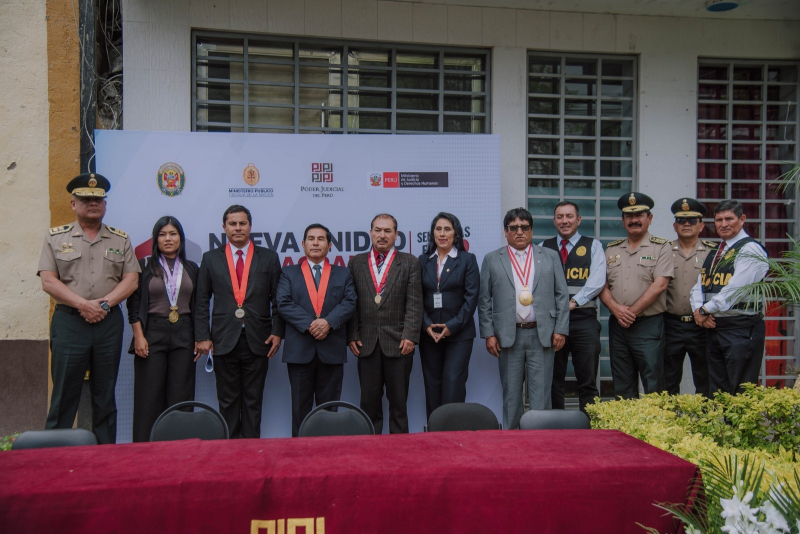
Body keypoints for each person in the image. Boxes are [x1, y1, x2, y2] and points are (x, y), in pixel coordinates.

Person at [37, 173, 140, 444]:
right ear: (73, 203)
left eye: (98, 199)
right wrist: (83, 304)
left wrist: (103, 305)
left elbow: (131, 280)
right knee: (64, 394)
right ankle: (53, 455)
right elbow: (48, 281)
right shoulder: (55, 238)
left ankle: (105, 455)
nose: (92, 203)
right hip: (70, 322)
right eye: (86, 199)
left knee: (105, 393)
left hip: (107, 322)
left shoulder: (120, 239)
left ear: (105, 204)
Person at [194, 205, 285, 439]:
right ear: (224, 227)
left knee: (253, 401)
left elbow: (278, 299)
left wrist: (278, 331)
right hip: (223, 341)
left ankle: (253, 452)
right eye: (232, 224)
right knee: (227, 401)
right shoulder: (210, 258)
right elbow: (201, 300)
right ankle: (230, 453)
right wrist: (203, 336)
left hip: (259, 339)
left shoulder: (269, 257)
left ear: (250, 226)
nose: (237, 228)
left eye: (242, 223)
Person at [478, 207, 569, 430]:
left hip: (543, 334)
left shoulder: (549, 256)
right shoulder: (492, 259)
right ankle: (512, 444)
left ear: (531, 230)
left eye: (525, 227)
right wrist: (489, 333)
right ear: (506, 231)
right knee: (511, 396)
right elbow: (484, 300)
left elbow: (562, 295)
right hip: (508, 336)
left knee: (541, 396)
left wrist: (561, 329)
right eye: (514, 228)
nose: (520, 232)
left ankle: (541, 444)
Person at [276, 223, 357, 437]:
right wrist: (312, 324)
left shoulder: (343, 273)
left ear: (329, 245)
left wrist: (328, 322)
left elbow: (350, 302)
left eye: (321, 239)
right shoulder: (288, 272)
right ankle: (300, 458)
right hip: (299, 351)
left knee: (329, 410)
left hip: (331, 351)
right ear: (303, 244)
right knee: (300, 411)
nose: (315, 243)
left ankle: (327, 457)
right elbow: (283, 303)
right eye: (311, 239)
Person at [347, 214, 422, 434]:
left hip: (400, 343)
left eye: (387, 231)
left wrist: (410, 335)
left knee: (399, 405)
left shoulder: (410, 262)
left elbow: (415, 303)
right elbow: (352, 304)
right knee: (369, 404)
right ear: (370, 232)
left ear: (396, 235)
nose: (382, 235)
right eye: (378, 230)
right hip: (366, 344)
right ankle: (369, 454)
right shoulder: (356, 263)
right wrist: (352, 335)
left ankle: (401, 455)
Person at [127, 216, 200, 442]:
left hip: (184, 333)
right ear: (155, 239)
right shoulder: (144, 266)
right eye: (162, 234)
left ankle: (179, 449)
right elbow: (134, 304)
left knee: (181, 396)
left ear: (181, 238)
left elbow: (199, 305)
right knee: (149, 396)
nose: (168, 239)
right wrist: (139, 336)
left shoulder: (192, 268)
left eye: (173, 234)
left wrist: (200, 337)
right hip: (152, 333)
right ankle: (143, 450)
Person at [691, 200, 768, 395]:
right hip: (715, 329)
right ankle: (727, 427)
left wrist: (704, 310)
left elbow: (735, 291)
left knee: (741, 392)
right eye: (718, 220)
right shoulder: (717, 250)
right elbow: (698, 286)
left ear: (742, 219)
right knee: (720, 392)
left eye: (729, 219)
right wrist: (698, 309)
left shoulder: (751, 250)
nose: (723, 224)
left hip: (741, 330)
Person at [600, 193, 672, 399]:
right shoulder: (611, 250)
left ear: (650, 218)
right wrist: (615, 309)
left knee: (654, 383)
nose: (634, 220)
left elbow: (660, 285)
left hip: (648, 325)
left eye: (639, 215)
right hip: (618, 325)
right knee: (622, 383)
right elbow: (601, 285)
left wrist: (630, 312)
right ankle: (624, 430)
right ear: (623, 221)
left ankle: (653, 430)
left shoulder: (662, 247)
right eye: (628, 216)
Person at [540, 201, 605, 413]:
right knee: (553, 380)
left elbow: (596, 281)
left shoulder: (594, 245)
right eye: (560, 217)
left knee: (587, 381)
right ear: (554, 221)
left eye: (569, 216)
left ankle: (590, 426)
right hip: (553, 322)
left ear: (578, 219)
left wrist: (574, 302)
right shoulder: (543, 248)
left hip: (583, 320)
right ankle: (556, 430)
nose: (564, 221)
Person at [417, 212, 480, 419]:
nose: (442, 234)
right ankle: (434, 435)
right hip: (429, 334)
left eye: (447, 229)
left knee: (453, 383)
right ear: (432, 233)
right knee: (432, 385)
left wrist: (451, 326)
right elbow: (416, 297)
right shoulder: (423, 260)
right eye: (438, 229)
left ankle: (453, 434)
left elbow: (471, 299)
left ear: (456, 233)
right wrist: (426, 324)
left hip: (459, 335)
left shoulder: (467, 260)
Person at [664, 198, 715, 397]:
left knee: (705, 379)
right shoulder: (664, 250)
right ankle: (671, 424)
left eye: (692, 221)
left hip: (701, 325)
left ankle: (704, 424)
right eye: (682, 220)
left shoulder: (713, 252)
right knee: (668, 380)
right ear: (675, 225)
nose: (686, 224)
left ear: (701, 226)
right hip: (670, 323)